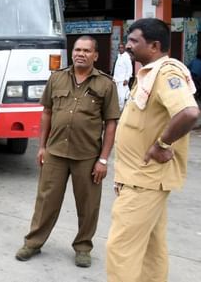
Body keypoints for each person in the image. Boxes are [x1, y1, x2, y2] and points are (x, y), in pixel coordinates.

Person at [106, 18, 199, 282]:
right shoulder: (149, 72)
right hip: (140, 178)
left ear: (155, 45)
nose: (128, 45)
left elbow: (189, 112)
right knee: (151, 247)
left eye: (135, 41)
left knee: (120, 249)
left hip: (144, 181)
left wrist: (162, 145)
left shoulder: (166, 72)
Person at [15, 36, 120, 268]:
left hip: (87, 156)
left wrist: (103, 159)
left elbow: (111, 123)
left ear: (95, 55)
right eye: (77, 49)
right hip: (55, 153)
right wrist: (42, 146)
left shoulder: (106, 85)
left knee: (88, 205)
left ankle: (83, 247)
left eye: (86, 50)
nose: (80, 54)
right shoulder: (57, 78)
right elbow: (47, 113)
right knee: (46, 201)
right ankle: (33, 242)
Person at [113, 43, 133, 110]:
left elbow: (129, 69)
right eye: (119, 47)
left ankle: (121, 111)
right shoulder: (118, 56)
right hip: (116, 80)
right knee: (120, 96)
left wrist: (127, 79)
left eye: (122, 47)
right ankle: (124, 110)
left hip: (123, 80)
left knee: (122, 97)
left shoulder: (126, 57)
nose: (120, 49)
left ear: (124, 48)